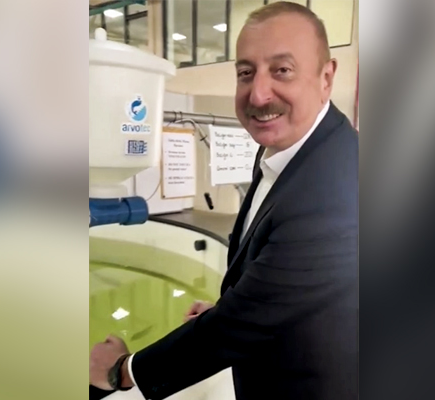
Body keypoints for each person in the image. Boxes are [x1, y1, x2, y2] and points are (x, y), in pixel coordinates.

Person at [89, 2, 358, 399]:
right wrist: (225, 305)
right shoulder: (285, 148)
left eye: (282, 70)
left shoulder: (336, 186)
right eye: (246, 72)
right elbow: (277, 283)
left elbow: (242, 323)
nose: (259, 94)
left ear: (326, 77)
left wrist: (120, 371)